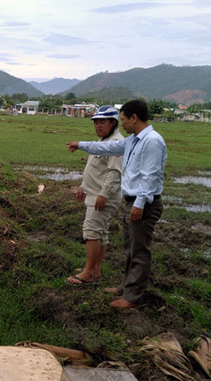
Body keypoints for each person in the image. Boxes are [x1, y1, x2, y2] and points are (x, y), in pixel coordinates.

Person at [67, 100, 167, 308]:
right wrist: (81, 144)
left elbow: (150, 175)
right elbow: (107, 147)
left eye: (122, 119)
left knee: (139, 251)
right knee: (130, 248)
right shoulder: (132, 140)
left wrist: (139, 204)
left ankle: (132, 297)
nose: (122, 124)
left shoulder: (152, 141)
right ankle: (125, 287)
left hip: (144, 203)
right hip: (132, 201)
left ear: (134, 117)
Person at [67, 106, 124, 286]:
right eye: (96, 122)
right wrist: (83, 187)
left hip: (102, 196)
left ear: (113, 123)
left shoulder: (116, 143)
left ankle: (88, 273)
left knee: (91, 232)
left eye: (102, 122)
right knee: (101, 232)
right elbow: (95, 169)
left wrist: (104, 194)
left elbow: (115, 173)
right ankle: (95, 269)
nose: (97, 126)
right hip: (94, 193)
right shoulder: (103, 141)